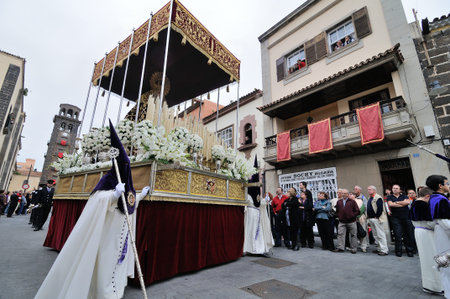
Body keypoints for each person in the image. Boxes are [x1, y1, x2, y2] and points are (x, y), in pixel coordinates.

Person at [35, 120, 150, 299]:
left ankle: (116, 290)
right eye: (125, 166)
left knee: (116, 264)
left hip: (121, 234)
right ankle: (102, 293)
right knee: (104, 264)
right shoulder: (109, 180)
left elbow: (130, 202)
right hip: (107, 234)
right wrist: (112, 195)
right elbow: (97, 200)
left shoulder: (126, 184)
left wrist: (141, 194)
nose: (127, 169)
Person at [410, 186, 443, 295]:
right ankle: (436, 286)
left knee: (426, 260)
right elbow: (430, 222)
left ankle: (429, 284)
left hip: (419, 232)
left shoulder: (415, 203)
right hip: (427, 233)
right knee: (432, 258)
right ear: (427, 196)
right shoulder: (422, 205)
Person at [426, 174, 450, 297]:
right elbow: (445, 221)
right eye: (447, 183)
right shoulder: (441, 200)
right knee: (447, 263)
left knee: (446, 264)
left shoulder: (435, 198)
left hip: (441, 231)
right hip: (445, 233)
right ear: (440, 186)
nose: (449, 185)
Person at [387, 184, 415, 257]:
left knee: (407, 235)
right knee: (397, 235)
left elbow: (407, 202)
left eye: (397, 188)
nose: (395, 189)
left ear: (399, 190)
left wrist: (395, 202)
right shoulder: (389, 197)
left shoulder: (404, 196)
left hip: (406, 217)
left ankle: (409, 250)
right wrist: (402, 203)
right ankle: (398, 251)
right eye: (394, 188)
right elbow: (390, 205)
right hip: (395, 218)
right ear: (392, 189)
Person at [334, 189, 359, 253]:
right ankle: (340, 247)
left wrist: (352, 216)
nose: (343, 194)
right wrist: (339, 216)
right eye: (342, 193)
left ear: (348, 194)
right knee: (340, 234)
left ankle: (353, 248)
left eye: (345, 193)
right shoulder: (339, 202)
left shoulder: (352, 202)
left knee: (353, 235)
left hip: (351, 221)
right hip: (342, 221)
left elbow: (357, 211)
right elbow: (337, 211)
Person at [366, 185, 389, 256]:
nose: (368, 191)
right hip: (371, 219)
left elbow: (380, 208)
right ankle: (379, 248)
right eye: (368, 189)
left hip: (377, 219)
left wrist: (376, 216)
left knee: (380, 235)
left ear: (374, 190)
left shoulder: (378, 197)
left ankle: (384, 250)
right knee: (375, 235)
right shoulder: (370, 197)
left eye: (370, 189)